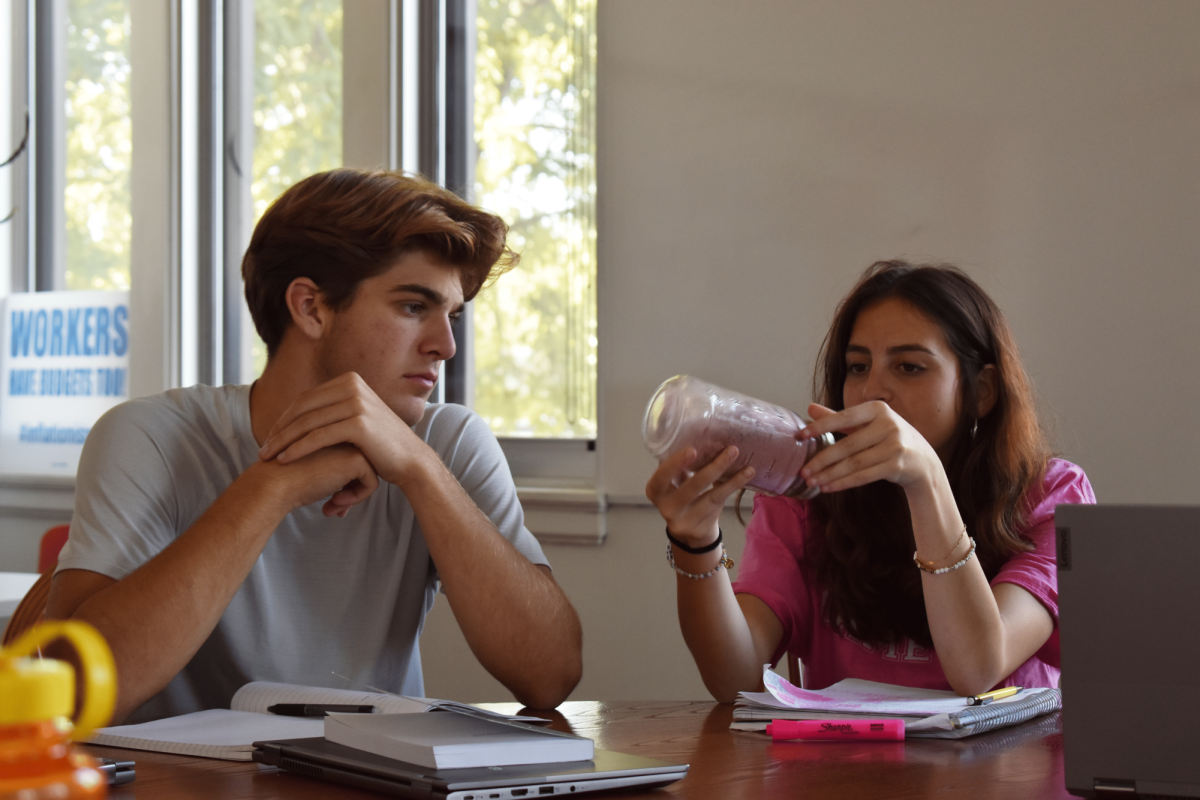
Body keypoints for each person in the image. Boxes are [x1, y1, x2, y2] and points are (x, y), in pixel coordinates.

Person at [45, 169, 583, 723]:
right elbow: (72, 692)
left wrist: (422, 470)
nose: (444, 345)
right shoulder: (149, 436)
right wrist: (274, 485)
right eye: (412, 307)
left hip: (376, 784)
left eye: (451, 315)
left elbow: (550, 677)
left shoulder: (448, 442)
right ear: (311, 308)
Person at [645, 260, 1094, 702]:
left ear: (983, 391)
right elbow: (734, 680)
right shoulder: (806, 496)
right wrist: (697, 541)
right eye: (858, 367)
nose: (873, 391)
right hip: (845, 772)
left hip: (1005, 771)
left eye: (909, 367)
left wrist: (925, 481)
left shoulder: (1051, 495)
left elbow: (978, 667)